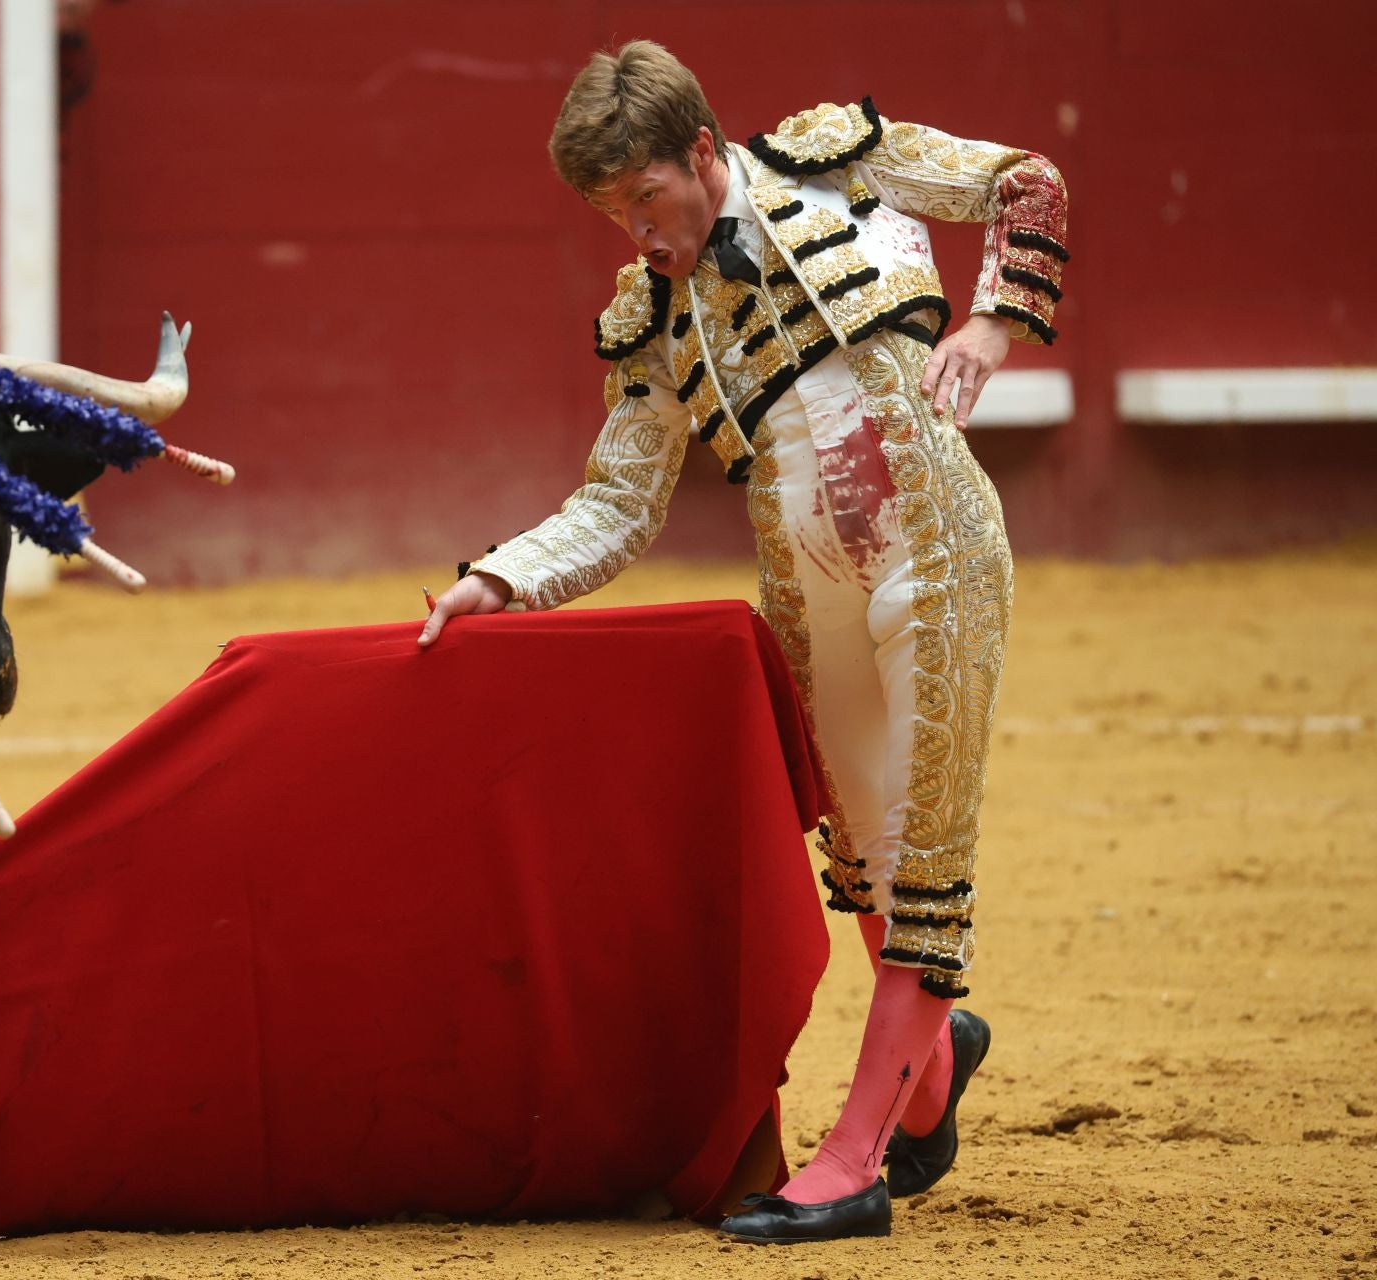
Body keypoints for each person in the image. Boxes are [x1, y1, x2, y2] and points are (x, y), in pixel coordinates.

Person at [417, 40, 1067, 1243]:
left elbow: (1025, 182)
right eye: (612, 215)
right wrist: (501, 577)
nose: (637, 237)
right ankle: (933, 1058)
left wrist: (992, 328)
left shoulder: (841, 165)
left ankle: (858, 1157)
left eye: (644, 201)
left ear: (705, 153)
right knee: (868, 862)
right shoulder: (653, 317)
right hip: (812, 600)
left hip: (939, 558)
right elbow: (618, 501)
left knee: (923, 863)